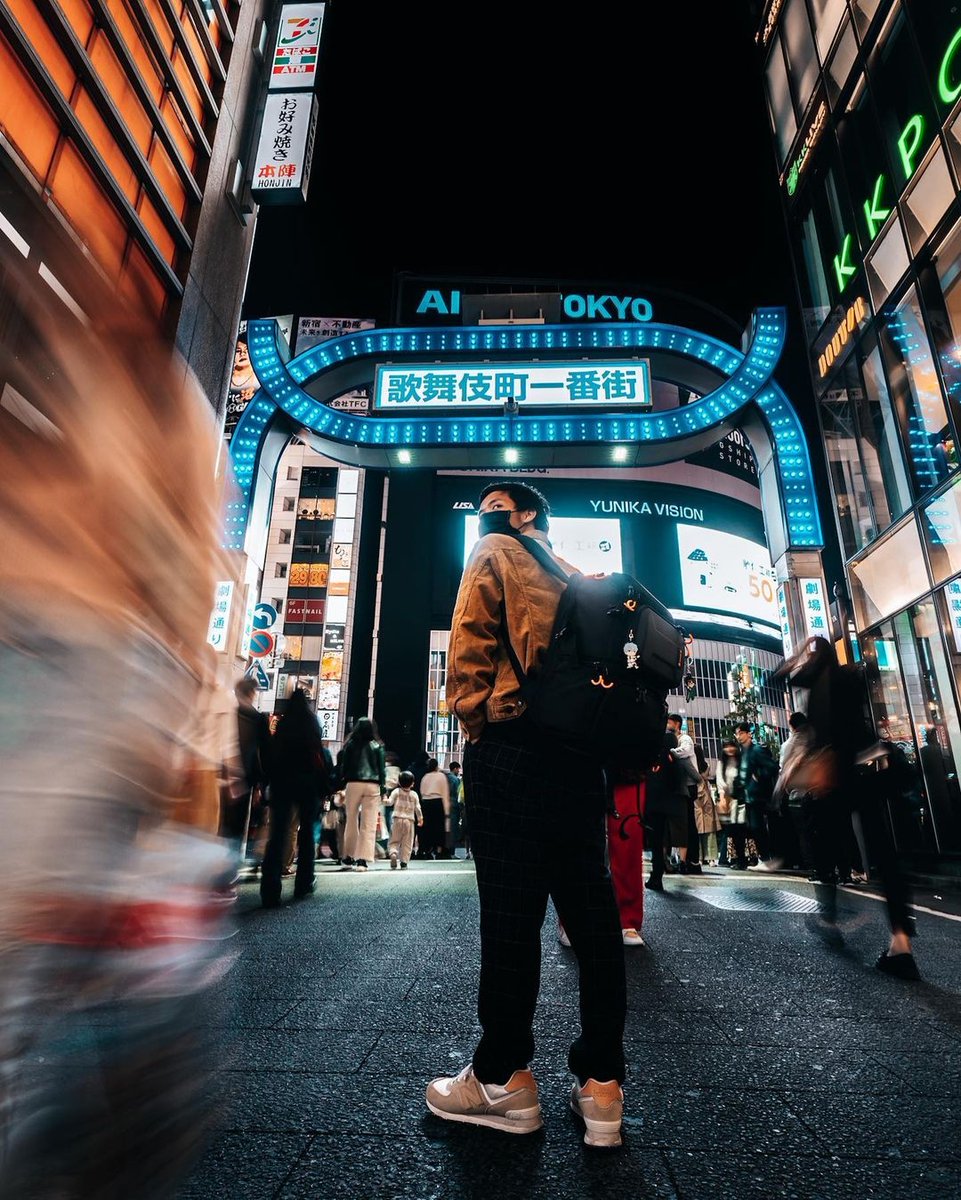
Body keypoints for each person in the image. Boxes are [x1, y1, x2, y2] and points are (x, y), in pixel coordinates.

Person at [426, 481, 626, 1148]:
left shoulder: (494, 550)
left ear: (528, 513)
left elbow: (468, 644)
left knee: (511, 917)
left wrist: (477, 722)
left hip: (513, 750)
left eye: (498, 501)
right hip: (578, 762)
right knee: (592, 918)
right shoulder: (570, 574)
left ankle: (501, 1078)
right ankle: (601, 1087)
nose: (485, 510)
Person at [777, 637, 920, 979]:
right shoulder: (847, 676)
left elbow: (783, 679)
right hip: (870, 766)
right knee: (883, 851)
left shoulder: (826, 682)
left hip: (842, 771)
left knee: (820, 838)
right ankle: (900, 942)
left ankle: (829, 916)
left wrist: (797, 653)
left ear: (816, 658)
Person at [260, 689, 330, 907]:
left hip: (282, 783)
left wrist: (266, 784)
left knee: (278, 833)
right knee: (307, 832)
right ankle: (304, 882)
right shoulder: (312, 725)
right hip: (307, 783)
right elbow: (319, 756)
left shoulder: (283, 724)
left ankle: (270, 888)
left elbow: (272, 755)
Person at [227, 677, 273, 867]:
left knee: (222, 821)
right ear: (252, 694)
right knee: (239, 822)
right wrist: (261, 783)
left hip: (221, 774)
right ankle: (232, 863)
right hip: (246, 778)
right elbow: (265, 752)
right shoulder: (258, 719)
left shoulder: (227, 714)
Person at [337, 717, 387, 872]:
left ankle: (348, 856)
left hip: (353, 783)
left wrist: (342, 784)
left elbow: (343, 767)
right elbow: (381, 770)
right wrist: (383, 789)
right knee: (368, 823)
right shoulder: (377, 746)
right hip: (373, 785)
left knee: (351, 820)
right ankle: (362, 860)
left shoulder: (350, 745)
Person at [644, 729, 689, 891]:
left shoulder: (654, 759)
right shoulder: (674, 760)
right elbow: (678, 782)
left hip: (654, 806)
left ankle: (657, 876)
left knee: (656, 842)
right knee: (668, 840)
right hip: (672, 807)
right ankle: (662, 870)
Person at [735, 723, 782, 871]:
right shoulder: (744, 752)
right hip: (750, 796)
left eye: (741, 732)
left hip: (758, 796)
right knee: (755, 828)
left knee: (758, 827)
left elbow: (773, 767)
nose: (738, 736)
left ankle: (767, 859)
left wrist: (759, 776)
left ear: (749, 734)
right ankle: (765, 859)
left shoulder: (756, 750)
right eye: (737, 733)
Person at [666, 713, 701, 874]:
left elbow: (685, 752)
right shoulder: (671, 738)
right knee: (682, 823)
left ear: (677, 724)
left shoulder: (684, 738)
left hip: (688, 785)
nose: (667, 725)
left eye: (670, 722)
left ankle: (692, 860)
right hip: (679, 785)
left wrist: (671, 752)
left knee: (687, 823)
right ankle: (686, 860)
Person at [715, 738, 748, 868]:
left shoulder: (742, 761)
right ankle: (739, 859)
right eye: (726, 747)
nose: (729, 749)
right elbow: (720, 780)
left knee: (740, 829)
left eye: (731, 746)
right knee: (732, 831)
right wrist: (722, 797)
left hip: (740, 800)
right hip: (728, 801)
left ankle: (742, 859)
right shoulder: (721, 762)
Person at [386, 770, 423, 868]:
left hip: (397, 819)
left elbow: (389, 802)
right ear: (412, 784)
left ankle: (393, 853)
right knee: (407, 842)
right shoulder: (414, 794)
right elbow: (418, 808)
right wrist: (420, 819)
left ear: (399, 782)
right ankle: (404, 862)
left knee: (394, 839)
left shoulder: (396, 791)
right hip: (409, 821)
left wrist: (384, 799)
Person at [692, 741, 721, 865]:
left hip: (695, 797)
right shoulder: (706, 766)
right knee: (709, 830)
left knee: (695, 828)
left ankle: (698, 856)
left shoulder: (691, 766)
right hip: (706, 796)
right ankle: (710, 857)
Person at [418, 757, 451, 859]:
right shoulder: (441, 776)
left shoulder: (425, 777)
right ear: (437, 766)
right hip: (438, 803)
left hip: (426, 803)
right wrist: (447, 809)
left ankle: (427, 850)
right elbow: (445, 793)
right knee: (439, 828)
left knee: (427, 828)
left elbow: (422, 792)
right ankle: (439, 850)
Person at [445, 760, 463, 856]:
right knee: (453, 829)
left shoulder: (445, 778)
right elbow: (458, 794)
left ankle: (444, 850)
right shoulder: (456, 780)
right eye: (458, 769)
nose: (459, 771)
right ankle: (451, 851)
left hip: (445, 805)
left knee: (446, 829)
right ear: (455, 768)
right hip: (453, 806)